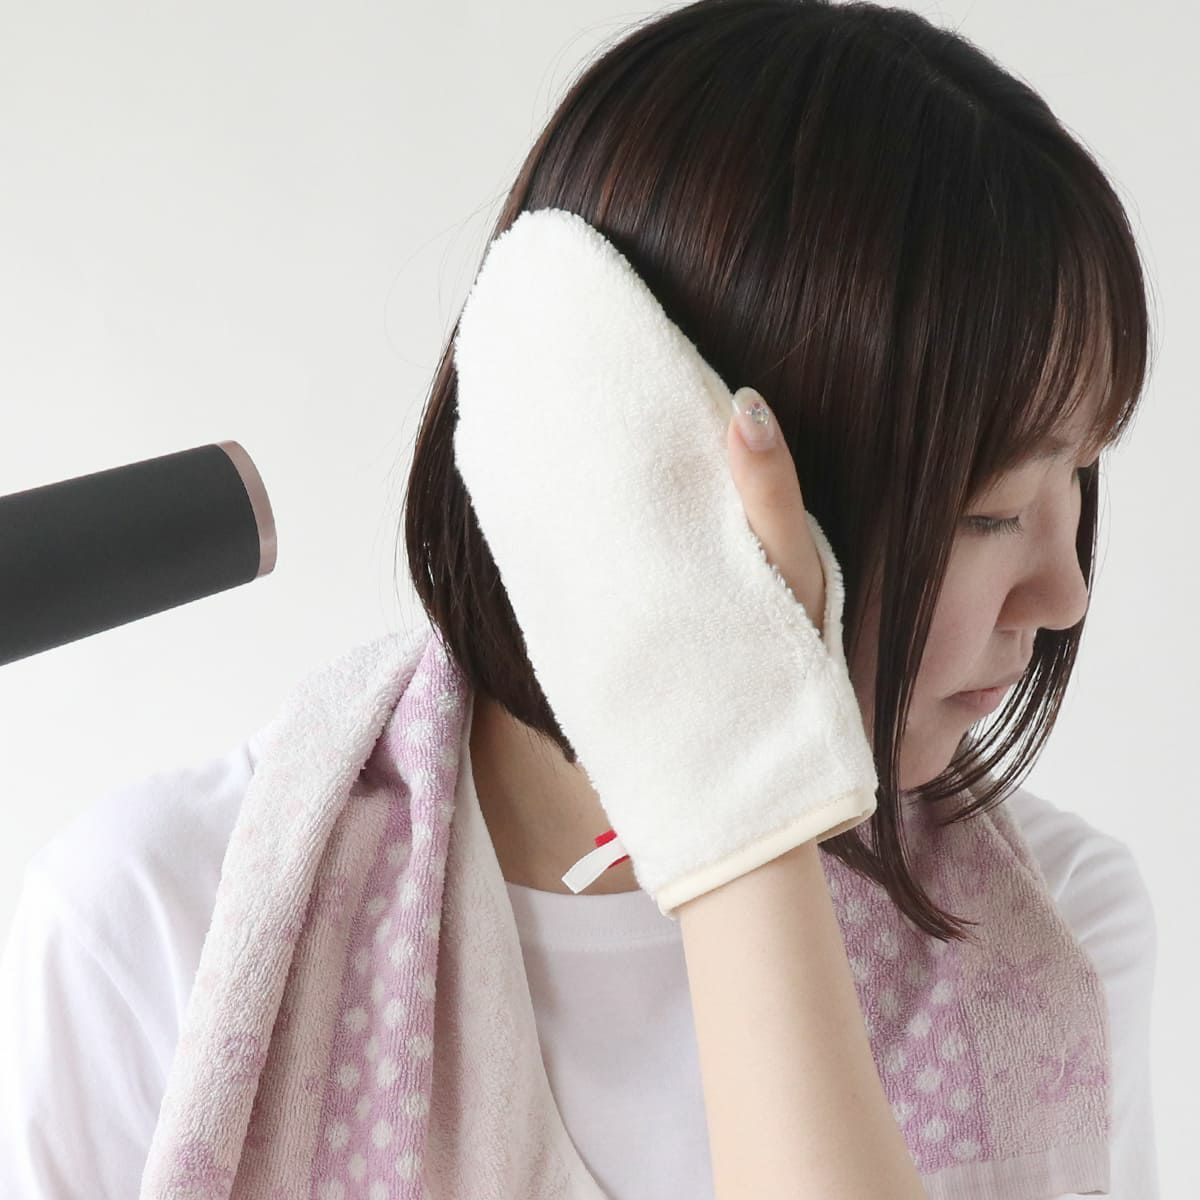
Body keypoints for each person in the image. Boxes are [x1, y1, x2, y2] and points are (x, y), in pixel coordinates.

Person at [0, 0, 1159, 1196]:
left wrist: (742, 783)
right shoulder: (155, 931)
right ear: (677, 456)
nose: (1065, 592)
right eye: (991, 511)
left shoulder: (1052, 950)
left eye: (1078, 477)